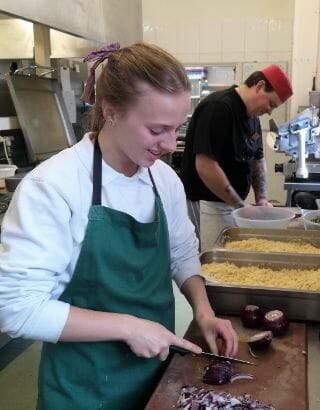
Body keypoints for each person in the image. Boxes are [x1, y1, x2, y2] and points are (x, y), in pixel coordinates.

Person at [0, 42, 238, 410]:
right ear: (110, 111)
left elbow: (181, 251)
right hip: (83, 392)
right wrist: (128, 326)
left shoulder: (163, 179)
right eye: (157, 129)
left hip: (157, 377)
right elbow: (15, 308)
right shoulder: (56, 186)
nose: (170, 145)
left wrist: (203, 310)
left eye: (177, 128)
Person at [180, 65, 293, 248]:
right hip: (207, 206)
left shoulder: (253, 119)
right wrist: (240, 206)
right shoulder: (219, 107)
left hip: (230, 206)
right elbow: (205, 165)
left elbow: (258, 158)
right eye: (271, 103)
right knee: (208, 260)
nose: (270, 111)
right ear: (259, 86)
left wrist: (262, 199)